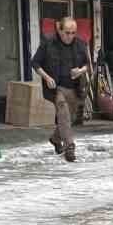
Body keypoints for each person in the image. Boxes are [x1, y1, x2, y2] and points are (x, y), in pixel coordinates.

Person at [30, 15, 90, 162]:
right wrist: (47, 77)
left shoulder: (81, 44)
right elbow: (35, 63)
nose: (70, 36)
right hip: (56, 87)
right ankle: (70, 146)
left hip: (75, 88)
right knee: (63, 112)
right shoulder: (48, 43)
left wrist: (81, 71)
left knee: (71, 118)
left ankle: (56, 139)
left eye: (73, 32)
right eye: (67, 32)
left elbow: (89, 65)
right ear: (60, 30)